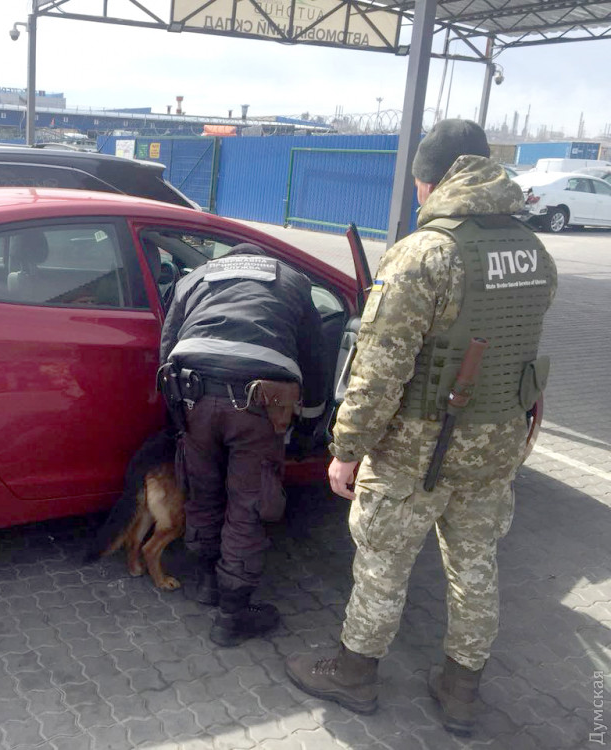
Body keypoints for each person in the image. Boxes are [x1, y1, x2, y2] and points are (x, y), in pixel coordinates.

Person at [284, 119, 558, 734]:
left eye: (417, 186)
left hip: (417, 450)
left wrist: (346, 449)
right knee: (475, 567)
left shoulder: (425, 252)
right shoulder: (534, 251)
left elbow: (379, 369)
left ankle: (355, 675)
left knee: (383, 563)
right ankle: (461, 691)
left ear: (430, 181)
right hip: (495, 445)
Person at [159, 242, 328, 647]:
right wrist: (309, 426)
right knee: (247, 506)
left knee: (201, 492)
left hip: (192, 396)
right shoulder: (292, 281)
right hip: (259, 408)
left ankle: (205, 583)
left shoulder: (194, 277)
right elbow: (316, 360)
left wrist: (178, 415)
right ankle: (231, 617)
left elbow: (166, 348)